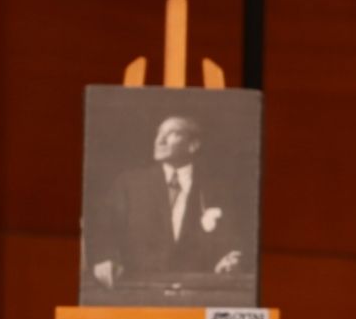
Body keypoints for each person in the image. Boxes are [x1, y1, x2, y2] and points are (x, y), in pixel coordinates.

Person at [88, 115, 246, 289]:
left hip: (198, 290)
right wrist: (105, 259)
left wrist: (230, 259)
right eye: (159, 133)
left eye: (172, 133)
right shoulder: (129, 184)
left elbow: (232, 240)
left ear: (193, 145)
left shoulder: (217, 189)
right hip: (139, 288)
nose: (160, 140)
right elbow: (105, 230)